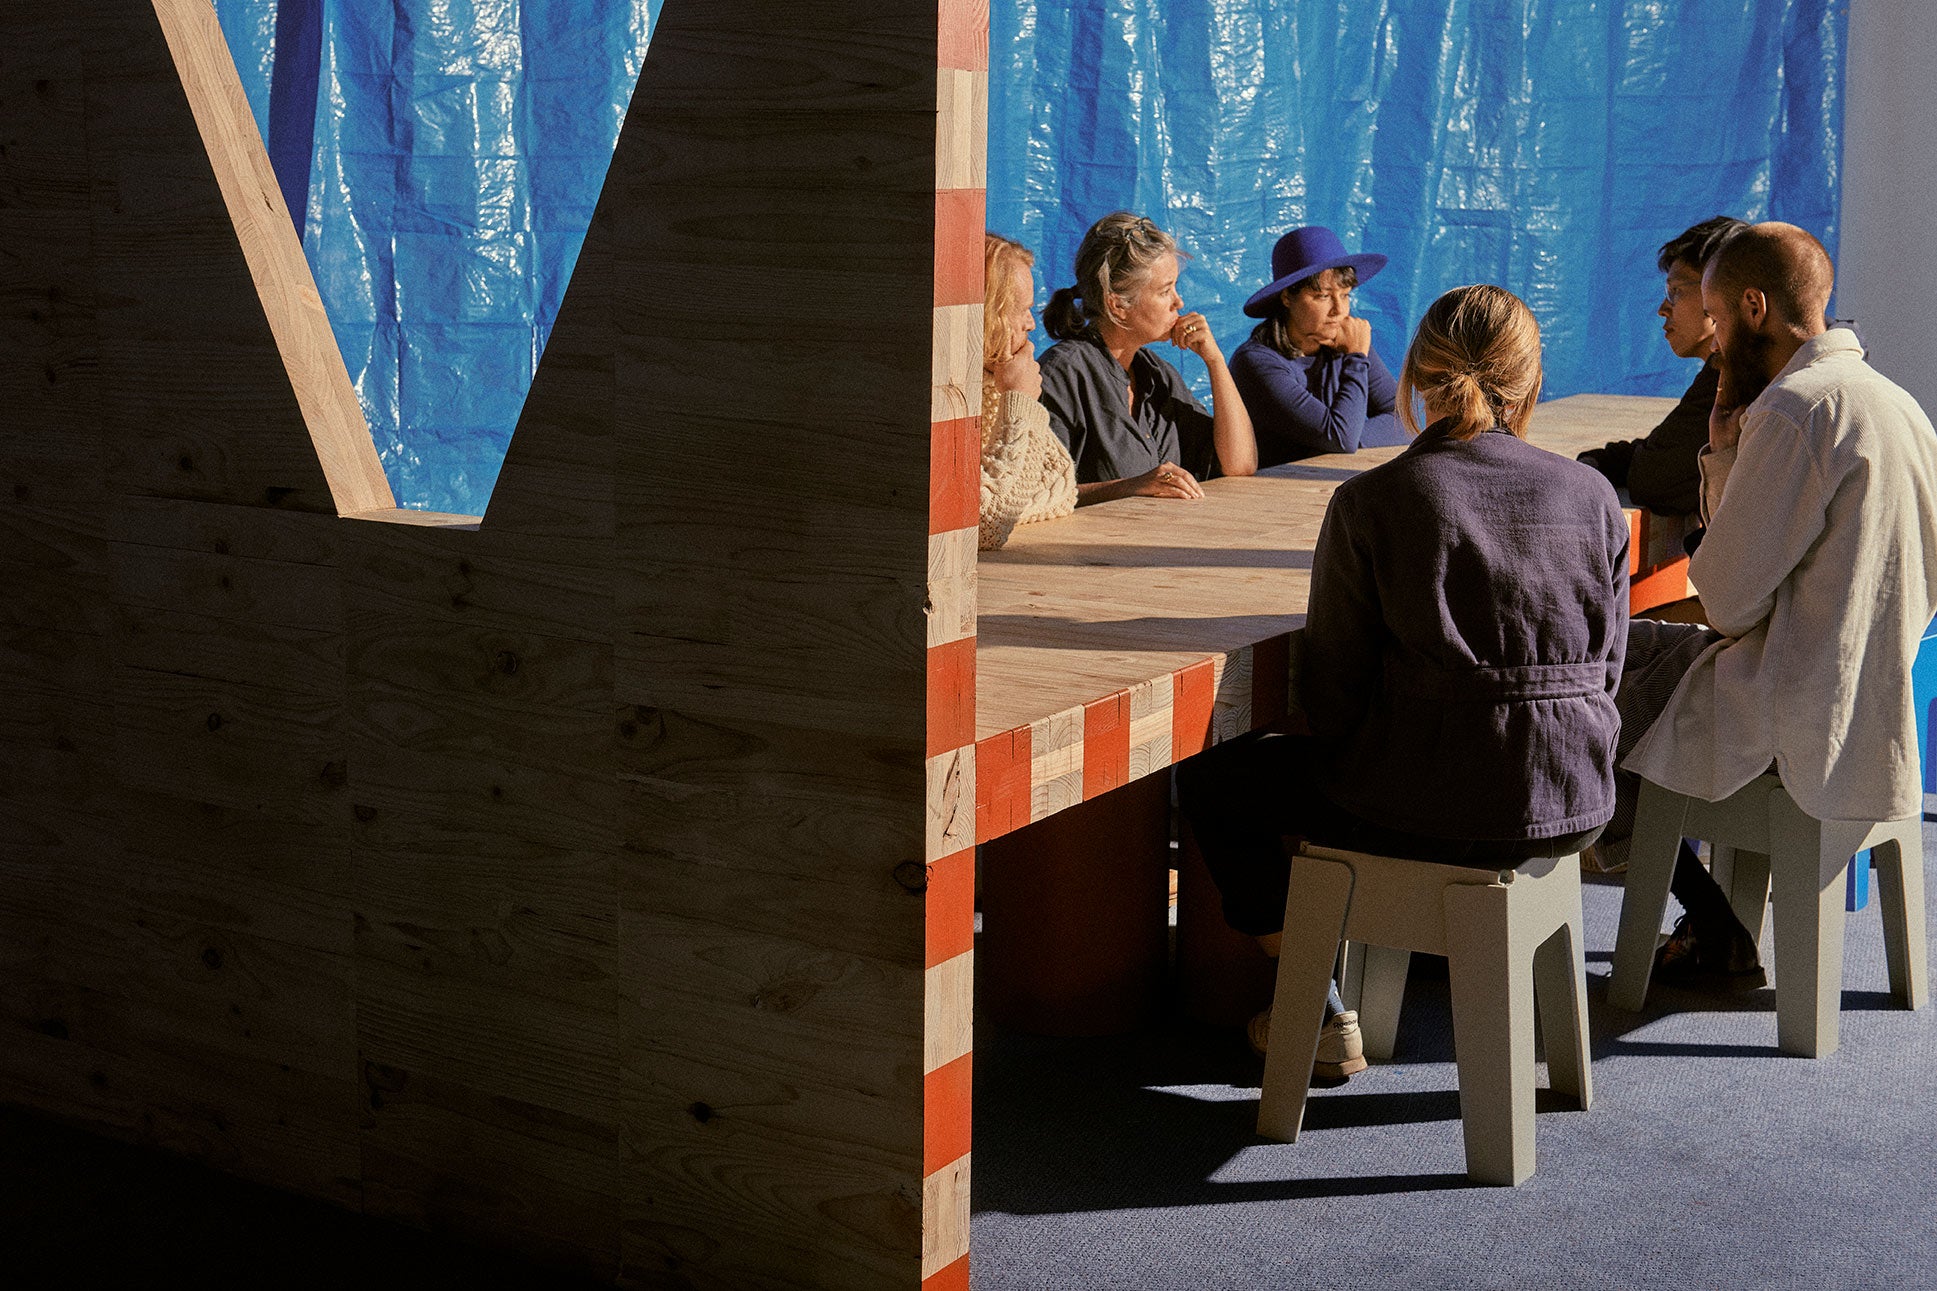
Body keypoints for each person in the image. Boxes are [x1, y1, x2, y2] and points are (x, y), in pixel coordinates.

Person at [1178, 284, 1628, 1072]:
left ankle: (1314, 1005)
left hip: (1427, 801)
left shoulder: (1373, 499)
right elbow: (1609, 668)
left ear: (1417, 373)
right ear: (1530, 379)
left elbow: (1332, 695)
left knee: (1220, 779)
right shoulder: (1592, 495)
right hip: (1573, 797)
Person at [1610, 222, 1937, 984]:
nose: (1714, 342)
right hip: (1866, 699)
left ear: (1753, 306)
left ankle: (1712, 925)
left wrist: (1721, 450)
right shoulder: (1897, 405)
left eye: (1717, 320)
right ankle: (1712, 921)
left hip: (1786, 708)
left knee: (1584, 685)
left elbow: (1723, 600)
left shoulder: (1795, 411)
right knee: (1630, 648)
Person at [1038, 212, 1257, 502]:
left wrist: (1215, 362)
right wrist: (1130, 487)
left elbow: (1239, 464)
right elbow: (1037, 495)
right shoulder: (1064, 373)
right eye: (1165, 291)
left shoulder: (1156, 373)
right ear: (1117, 305)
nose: (1179, 302)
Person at [1576, 216, 1748, 516]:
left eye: (1676, 292)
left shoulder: (1739, 379)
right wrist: (1606, 461)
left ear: (1718, 292)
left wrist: (1604, 464)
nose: (1662, 308)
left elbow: (1654, 479)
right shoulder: (1733, 372)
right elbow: (1670, 450)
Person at [1228, 225, 1406, 465]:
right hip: (1272, 492)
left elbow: (1406, 421)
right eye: (1323, 296)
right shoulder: (1256, 361)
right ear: (1287, 297)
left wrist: (1349, 438)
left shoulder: (1348, 342)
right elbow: (1341, 439)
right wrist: (1355, 359)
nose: (1339, 310)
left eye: (1345, 295)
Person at [978, 234, 1076, 550]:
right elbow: (987, 526)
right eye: (1021, 310)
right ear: (983, 313)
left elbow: (1061, 480)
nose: (1031, 325)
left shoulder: (995, 385)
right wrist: (1018, 399)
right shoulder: (946, 395)